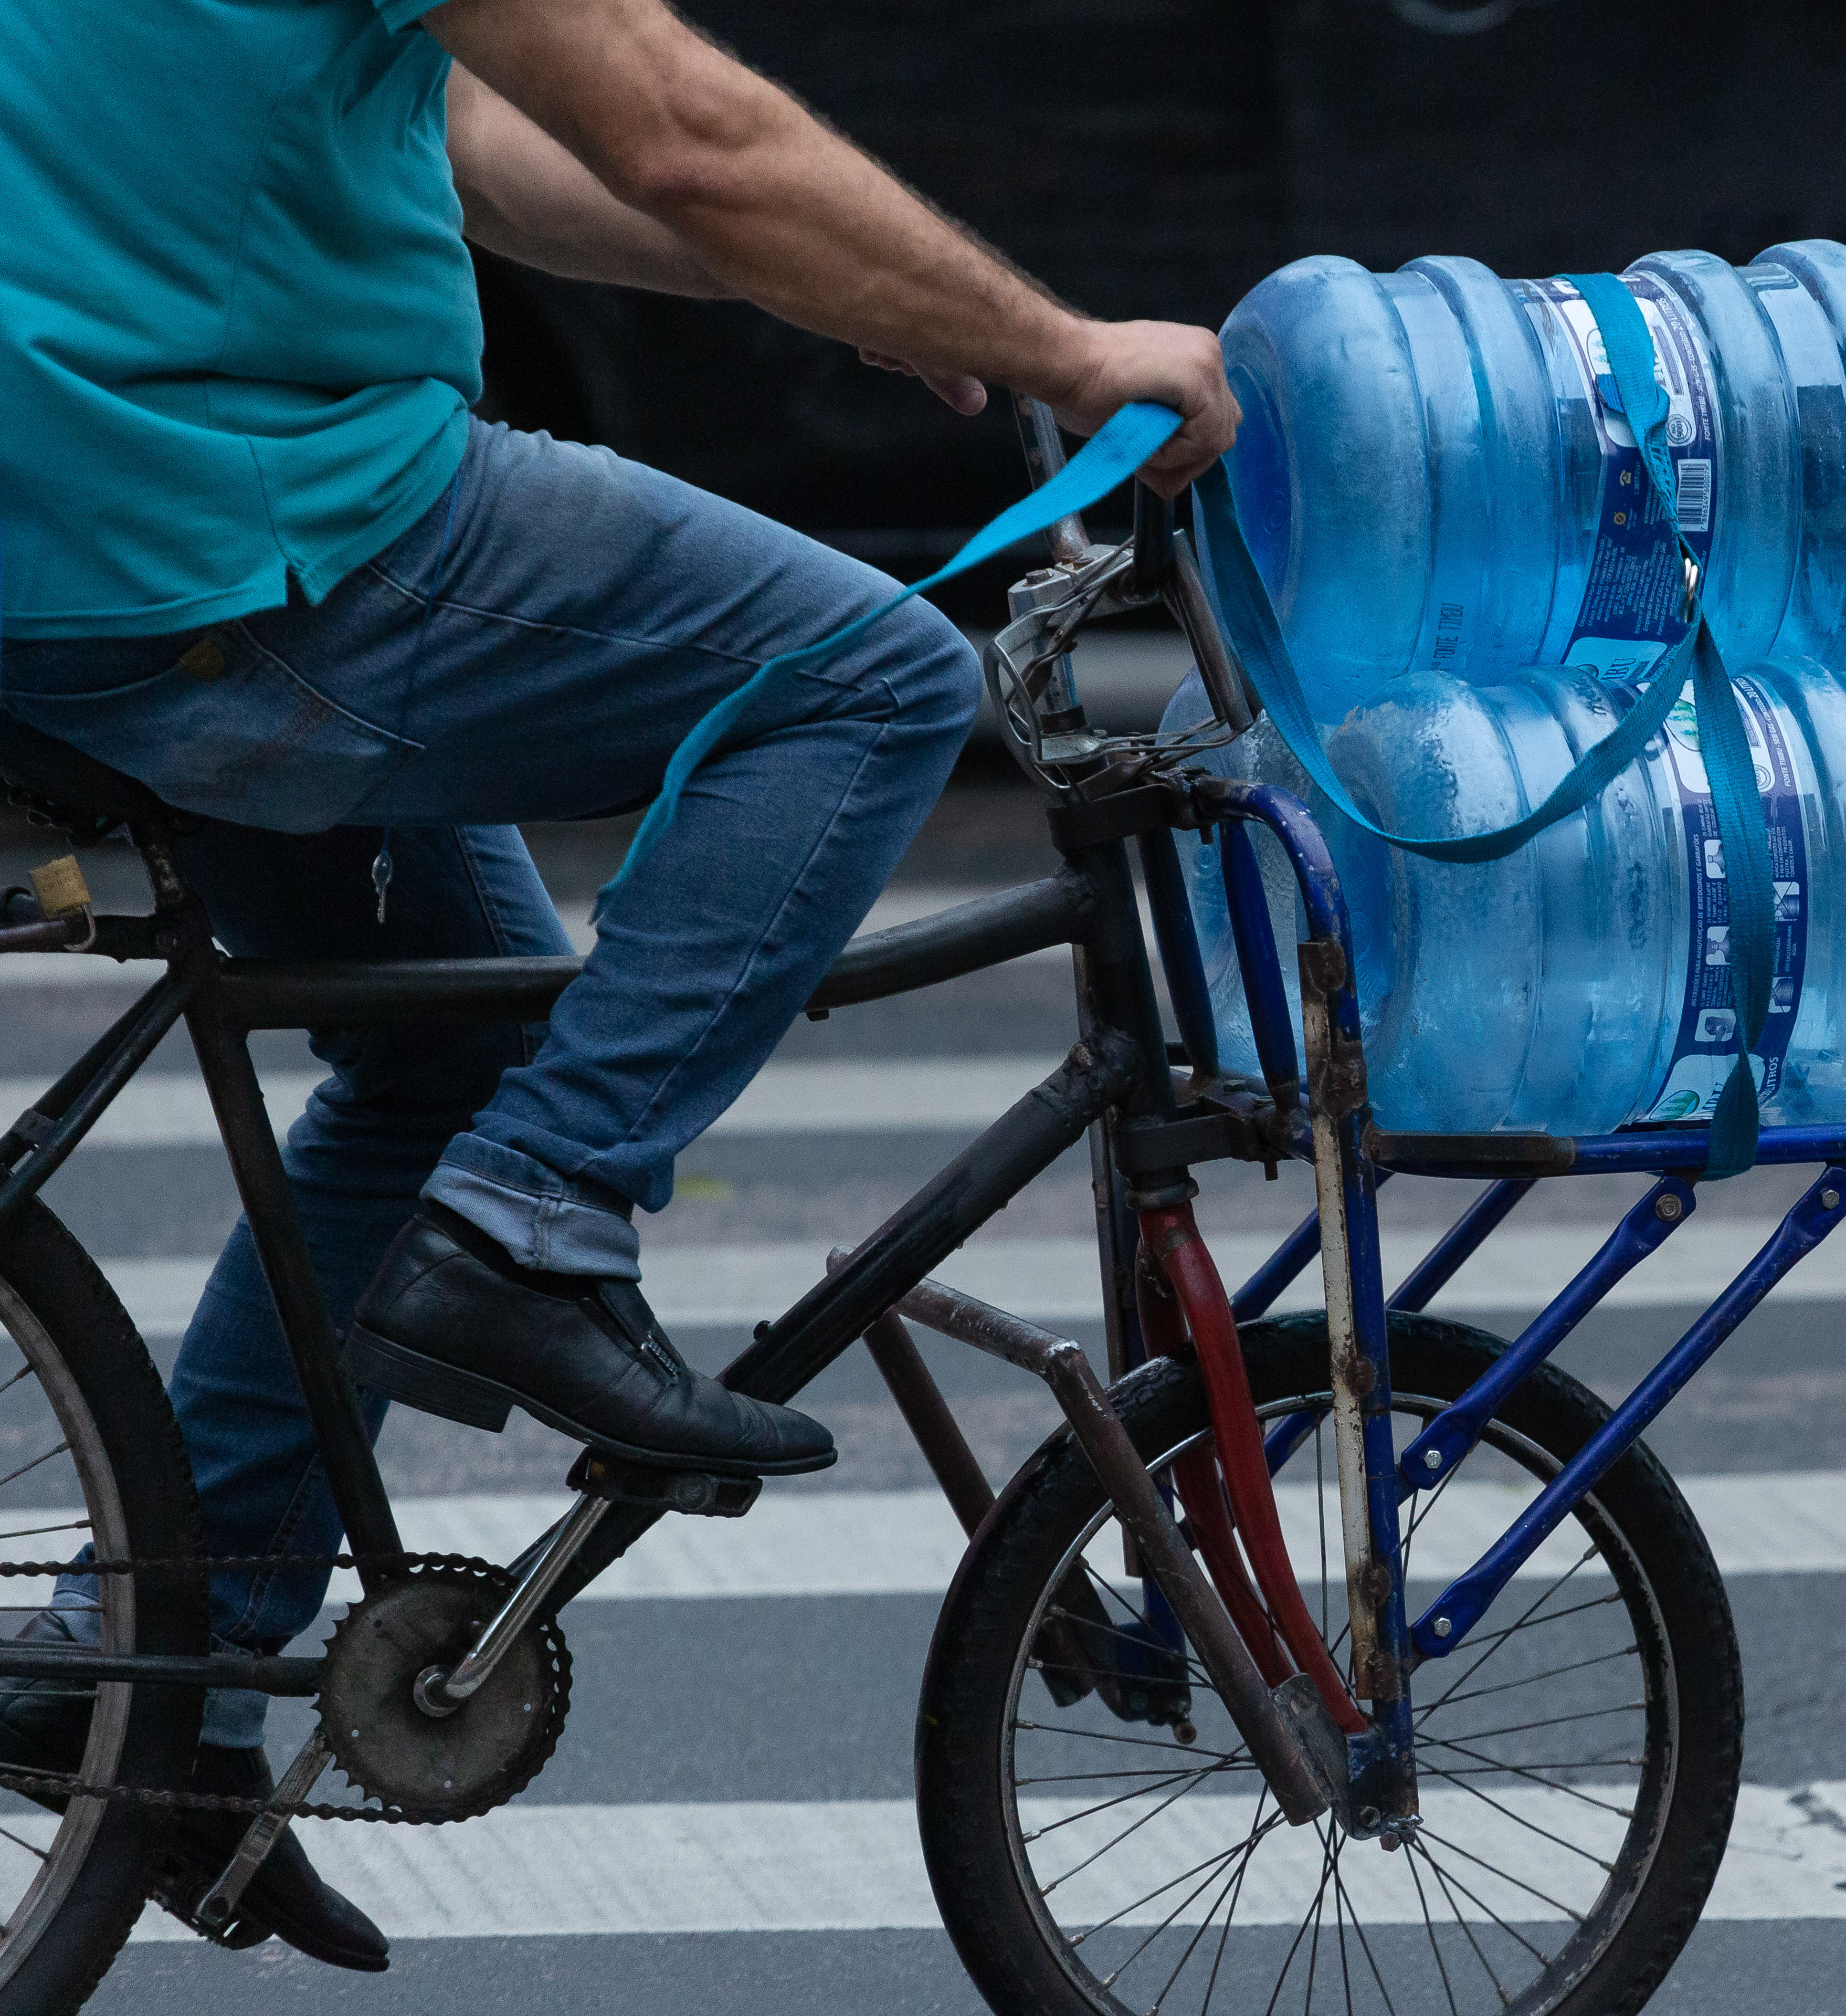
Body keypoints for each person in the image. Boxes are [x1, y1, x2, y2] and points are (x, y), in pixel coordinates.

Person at [0, 0, 1236, 1970]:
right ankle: (538, 1225)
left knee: (453, 1045)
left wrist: (853, 279)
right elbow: (681, 131)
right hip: (248, 530)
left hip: (66, 535)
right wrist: (1073, 351)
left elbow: (478, 140)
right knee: (871, 682)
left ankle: (157, 1671)